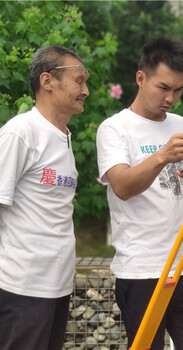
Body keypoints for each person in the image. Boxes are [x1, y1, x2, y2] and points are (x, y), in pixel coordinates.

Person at [96, 37, 183, 349]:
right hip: (142, 269)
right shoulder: (114, 128)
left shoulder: (180, 123)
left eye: (178, 89)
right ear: (140, 78)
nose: (171, 98)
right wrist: (162, 155)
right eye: (163, 87)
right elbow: (122, 187)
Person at [0, 45, 89, 350]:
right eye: (79, 80)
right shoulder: (21, 133)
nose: (86, 91)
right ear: (47, 81)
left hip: (57, 286)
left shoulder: (63, 136)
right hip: (21, 288)